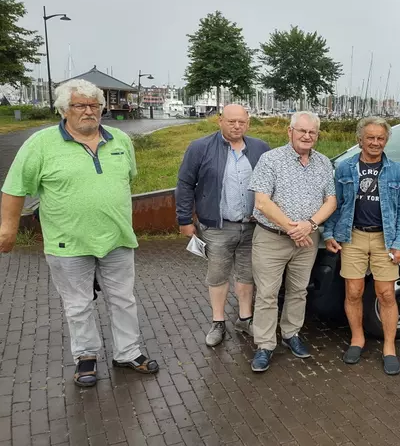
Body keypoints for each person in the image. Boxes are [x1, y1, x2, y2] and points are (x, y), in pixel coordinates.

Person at [0, 79, 158, 387]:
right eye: (80, 105)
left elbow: (129, 178)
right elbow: (14, 188)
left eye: (94, 105)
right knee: (78, 303)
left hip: (117, 238)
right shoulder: (41, 144)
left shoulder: (120, 140)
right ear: (63, 110)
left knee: (123, 299)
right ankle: (86, 356)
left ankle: (127, 352)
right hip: (67, 242)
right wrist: (8, 228)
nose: (89, 112)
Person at [248, 111, 337, 372]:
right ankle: (265, 345)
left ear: (317, 135)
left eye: (312, 132)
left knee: (299, 290)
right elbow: (262, 202)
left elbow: (331, 201)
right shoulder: (271, 159)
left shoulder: (323, 163)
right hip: (272, 238)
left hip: (307, 239)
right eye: (302, 131)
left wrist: (308, 226)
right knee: (266, 294)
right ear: (290, 132)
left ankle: (290, 334)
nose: (307, 136)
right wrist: (291, 228)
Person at [175, 104, 270, 347]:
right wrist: (185, 220)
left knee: (247, 275)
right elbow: (185, 184)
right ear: (220, 121)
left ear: (248, 122)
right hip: (217, 226)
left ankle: (245, 318)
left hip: (252, 226)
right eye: (231, 121)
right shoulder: (200, 147)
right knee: (217, 275)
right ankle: (218, 322)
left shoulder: (259, 148)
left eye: (241, 122)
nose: (236, 126)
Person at [322, 116, 400, 375]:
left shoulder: (397, 171)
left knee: (386, 294)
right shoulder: (346, 168)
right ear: (360, 139)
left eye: (380, 138)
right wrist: (329, 233)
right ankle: (357, 339)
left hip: (385, 238)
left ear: (386, 140)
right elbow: (335, 203)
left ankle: (390, 347)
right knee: (353, 292)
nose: (375, 142)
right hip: (353, 237)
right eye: (370, 137)